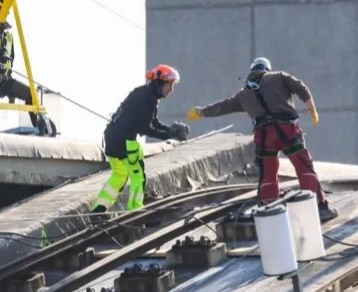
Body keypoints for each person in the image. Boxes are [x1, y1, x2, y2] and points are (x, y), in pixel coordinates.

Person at [186, 57, 337, 221]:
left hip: (265, 136)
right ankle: (318, 208)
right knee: (303, 167)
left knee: (268, 174)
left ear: (253, 70)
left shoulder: (244, 94)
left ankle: (269, 211)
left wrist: (201, 112)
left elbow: (223, 106)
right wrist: (311, 108)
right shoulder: (279, 76)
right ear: (267, 69)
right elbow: (301, 88)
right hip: (288, 131)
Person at [92, 64, 189, 213]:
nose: (171, 90)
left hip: (111, 137)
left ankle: (99, 210)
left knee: (120, 175)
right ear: (160, 82)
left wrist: (170, 131)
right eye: (169, 85)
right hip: (124, 142)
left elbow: (152, 122)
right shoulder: (148, 100)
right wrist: (167, 135)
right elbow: (145, 128)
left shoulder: (144, 94)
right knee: (138, 175)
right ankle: (135, 210)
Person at [0, 22, 55, 135]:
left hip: (5, 81)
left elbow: (11, 58)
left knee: (30, 94)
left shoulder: (8, 37)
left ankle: (39, 127)